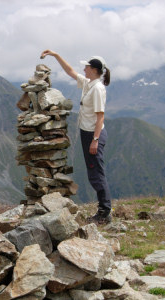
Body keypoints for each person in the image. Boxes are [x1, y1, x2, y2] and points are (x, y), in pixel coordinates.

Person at [40, 50, 112, 224]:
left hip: (93, 134)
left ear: (94, 69)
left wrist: (95, 140)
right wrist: (55, 55)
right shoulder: (89, 83)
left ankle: (104, 212)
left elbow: (100, 116)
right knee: (94, 171)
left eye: (87, 66)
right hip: (87, 132)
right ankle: (104, 210)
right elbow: (70, 71)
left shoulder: (97, 89)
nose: (84, 68)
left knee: (96, 173)